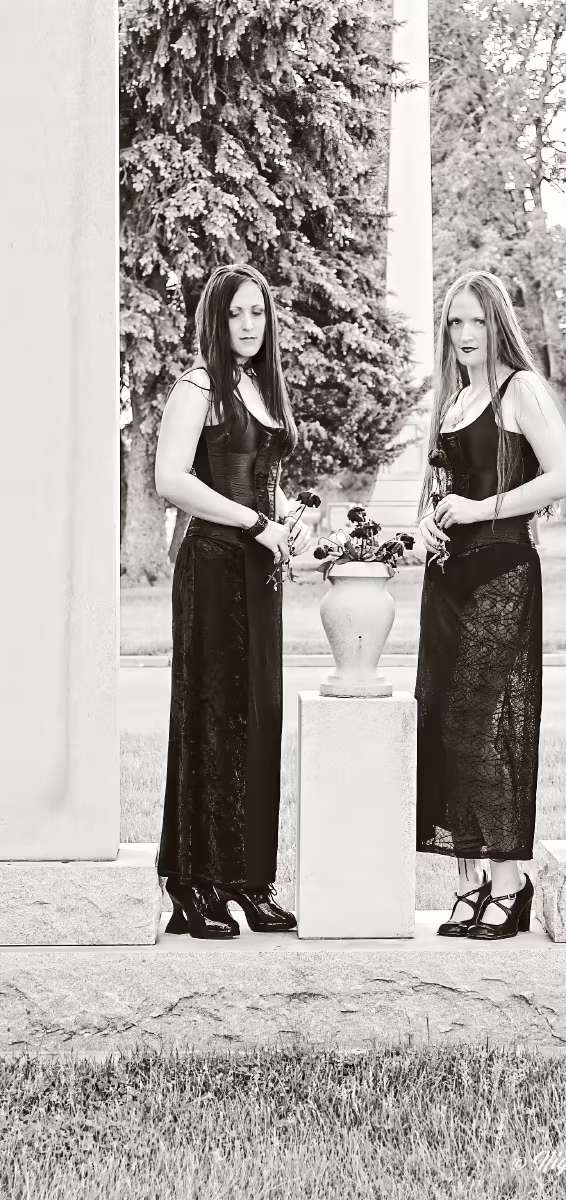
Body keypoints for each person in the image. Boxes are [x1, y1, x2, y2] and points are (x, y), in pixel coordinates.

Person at [415, 270, 566, 940]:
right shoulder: (455, 401)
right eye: (455, 322)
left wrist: (480, 508)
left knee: (488, 728)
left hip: (502, 572)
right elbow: (444, 490)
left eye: (477, 321)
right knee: (446, 727)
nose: (465, 334)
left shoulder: (521, 390)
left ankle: (510, 883)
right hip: (447, 580)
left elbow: (564, 476)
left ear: (498, 324)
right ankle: (469, 881)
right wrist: (428, 522)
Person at [154, 264, 313, 939]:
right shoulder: (198, 387)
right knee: (212, 717)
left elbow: (258, 480)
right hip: (215, 567)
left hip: (258, 569)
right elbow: (171, 480)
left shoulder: (260, 385)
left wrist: (289, 516)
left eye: (257, 312)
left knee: (259, 717)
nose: (249, 325)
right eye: (235, 313)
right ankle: (194, 884)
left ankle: (249, 880)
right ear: (214, 321)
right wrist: (254, 523)